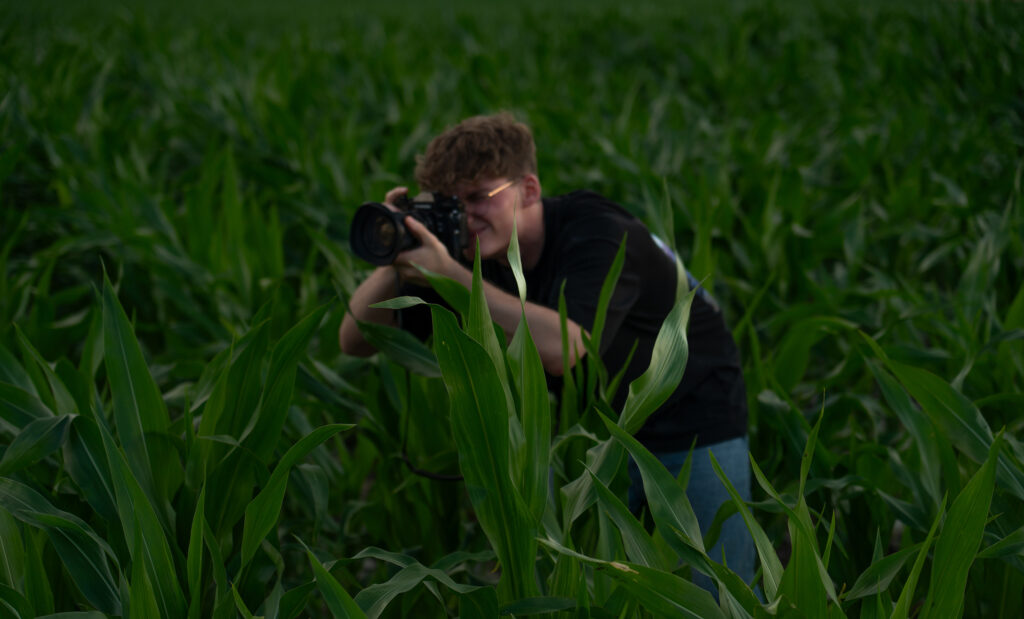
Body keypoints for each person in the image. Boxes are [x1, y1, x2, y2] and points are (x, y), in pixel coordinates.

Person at [338, 113, 753, 594]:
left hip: (693, 417)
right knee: (603, 592)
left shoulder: (596, 231)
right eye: (450, 205)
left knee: (718, 591)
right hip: (596, 438)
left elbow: (566, 347)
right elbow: (356, 338)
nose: (466, 217)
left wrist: (450, 277)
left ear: (529, 189)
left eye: (479, 197)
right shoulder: (470, 254)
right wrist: (399, 249)